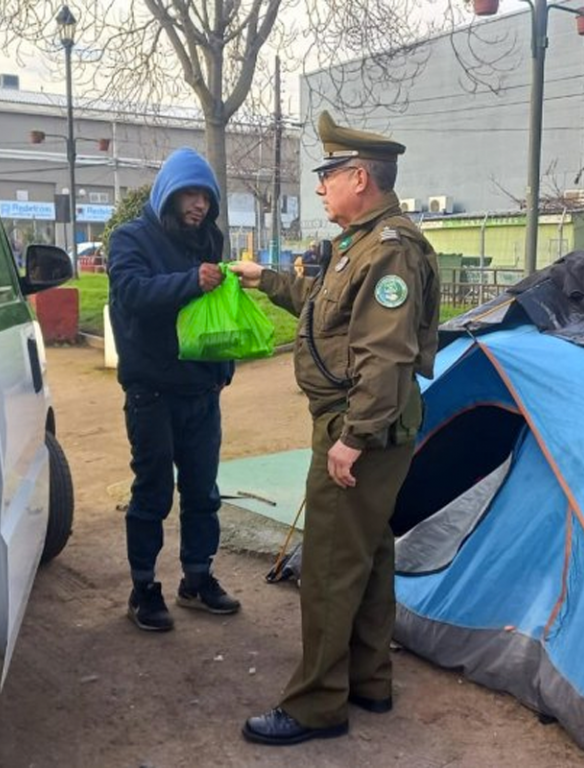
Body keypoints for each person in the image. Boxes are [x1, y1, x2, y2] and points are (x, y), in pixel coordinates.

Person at [230, 111, 440, 745]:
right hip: (361, 425)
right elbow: (325, 313)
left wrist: (351, 440)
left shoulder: (390, 251)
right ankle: (369, 681)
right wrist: (265, 280)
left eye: (328, 174)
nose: (320, 186)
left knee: (326, 567)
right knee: (370, 555)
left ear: (359, 177)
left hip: (360, 431)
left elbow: (386, 355)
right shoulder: (362, 245)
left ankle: (318, 704)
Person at [108, 147, 241, 633]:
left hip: (202, 391)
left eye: (206, 196)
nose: (199, 205)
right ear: (168, 193)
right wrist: (191, 281)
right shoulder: (130, 238)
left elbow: (215, 315)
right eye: (190, 193)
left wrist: (223, 370)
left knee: (203, 492)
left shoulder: (209, 240)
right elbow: (132, 295)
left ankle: (197, 579)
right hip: (153, 394)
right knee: (152, 493)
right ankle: (143, 587)